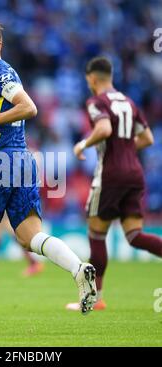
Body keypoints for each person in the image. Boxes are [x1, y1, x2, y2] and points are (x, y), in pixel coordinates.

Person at [0, 20, 96, 332]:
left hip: (0, 161)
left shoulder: (1, 73)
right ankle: (78, 269)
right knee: (29, 237)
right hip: (22, 160)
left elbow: (29, 107)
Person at [66, 56, 162, 311]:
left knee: (97, 235)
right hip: (134, 174)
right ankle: (95, 298)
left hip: (110, 175)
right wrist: (126, 150)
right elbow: (148, 138)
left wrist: (82, 144)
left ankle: (94, 300)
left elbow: (105, 129)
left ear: (92, 78)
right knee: (135, 235)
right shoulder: (129, 102)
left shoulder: (97, 101)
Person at [0, 212, 45, 277]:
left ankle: (34, 263)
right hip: (0, 209)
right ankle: (34, 263)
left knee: (0, 234)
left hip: (1, 208)